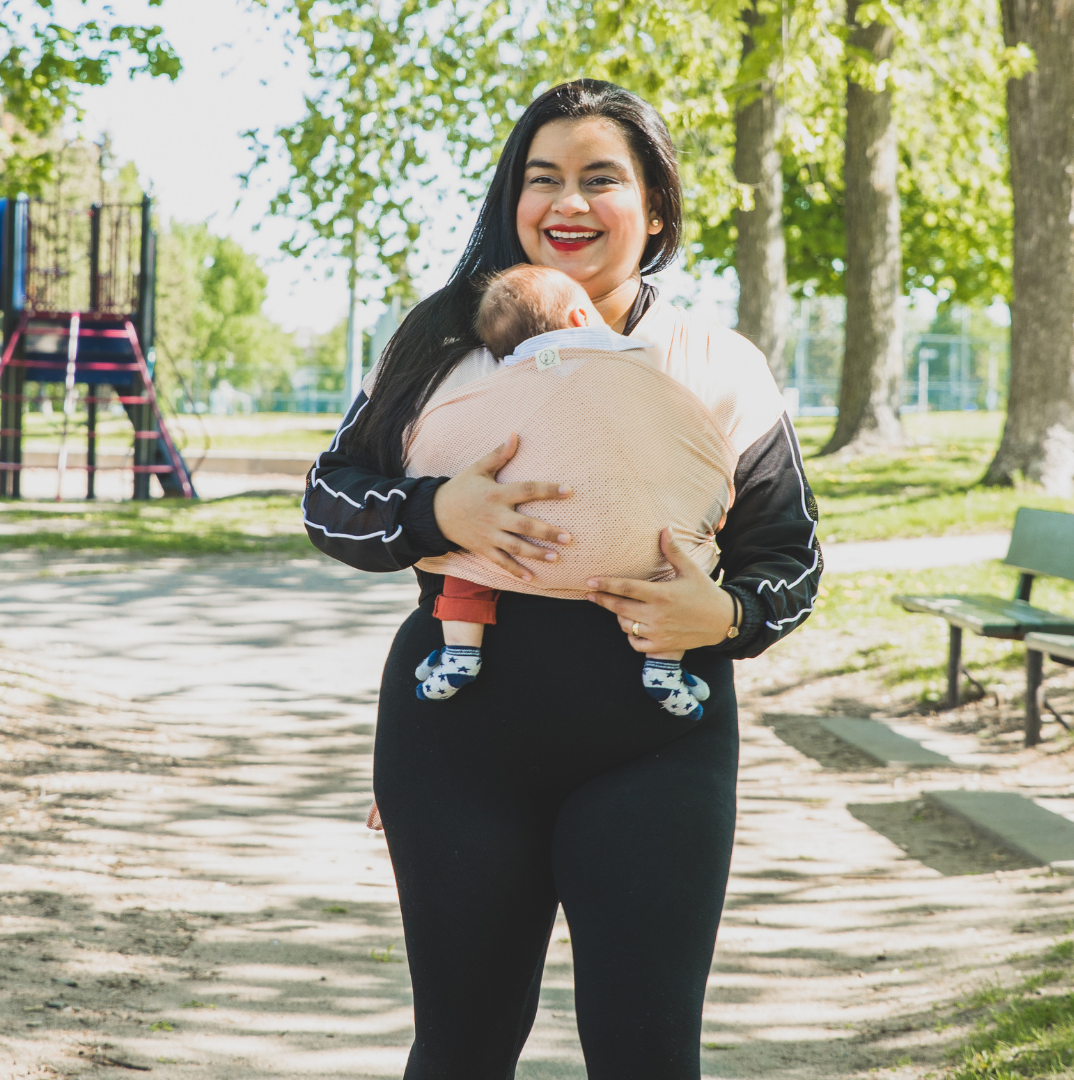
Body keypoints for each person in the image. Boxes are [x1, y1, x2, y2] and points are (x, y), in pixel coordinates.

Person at [303, 79, 821, 1080]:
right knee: (460, 1049)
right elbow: (330, 500)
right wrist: (437, 513)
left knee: (646, 1055)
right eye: (542, 179)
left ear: (655, 208)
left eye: (600, 179)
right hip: (454, 739)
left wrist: (726, 613)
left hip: (658, 741)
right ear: (513, 199)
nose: (567, 203)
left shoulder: (713, 361)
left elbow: (790, 558)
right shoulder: (436, 343)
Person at [414, 262, 714, 721]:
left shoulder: (498, 379)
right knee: (678, 562)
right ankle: (663, 666)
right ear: (580, 318)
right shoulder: (628, 353)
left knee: (466, 560)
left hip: (519, 541)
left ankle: (460, 653)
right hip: (623, 536)